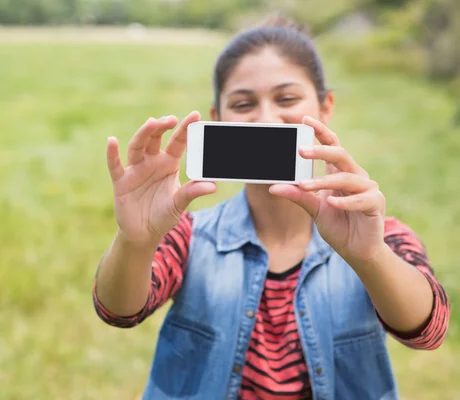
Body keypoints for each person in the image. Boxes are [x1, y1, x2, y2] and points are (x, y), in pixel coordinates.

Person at [92, 15, 451, 400]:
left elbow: (428, 331)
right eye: (244, 103)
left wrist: (370, 255)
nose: (266, 119)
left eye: (287, 98)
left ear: (325, 107)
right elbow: (119, 311)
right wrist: (135, 241)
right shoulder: (189, 235)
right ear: (218, 119)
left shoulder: (382, 234)